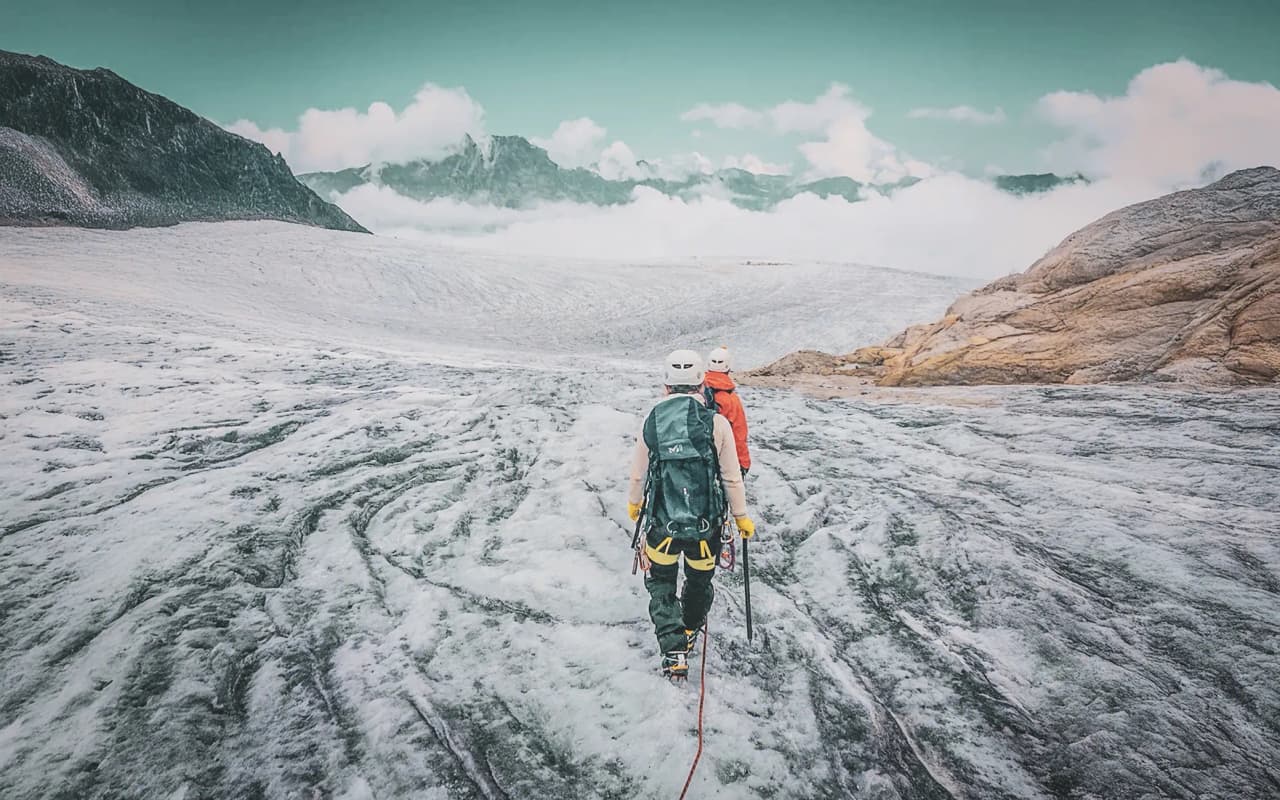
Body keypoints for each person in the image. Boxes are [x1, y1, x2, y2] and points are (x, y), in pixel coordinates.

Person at [627, 349, 755, 679]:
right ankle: (689, 630)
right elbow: (731, 477)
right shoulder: (717, 423)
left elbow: (639, 473)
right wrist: (741, 516)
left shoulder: (653, 420)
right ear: (702, 385)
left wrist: (634, 503)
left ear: (666, 386)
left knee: (661, 583)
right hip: (705, 528)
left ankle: (673, 651)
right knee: (699, 581)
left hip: (662, 526)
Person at [703, 346, 752, 478]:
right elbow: (739, 435)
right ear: (728, 368)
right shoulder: (732, 400)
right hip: (721, 460)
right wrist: (743, 464)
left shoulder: (695, 392)